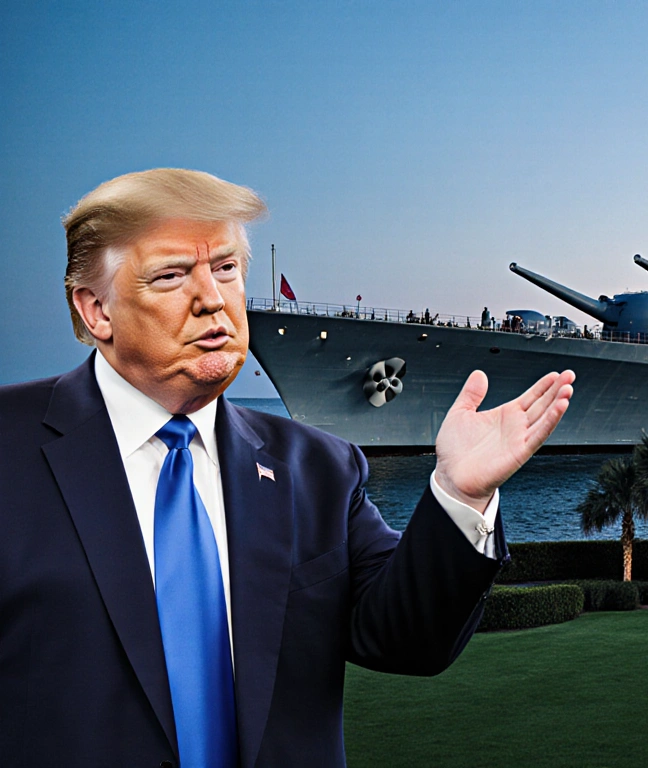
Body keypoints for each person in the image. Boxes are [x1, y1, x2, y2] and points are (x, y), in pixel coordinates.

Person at [0, 169, 575, 766]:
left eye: (226, 268)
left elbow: (408, 640)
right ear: (96, 310)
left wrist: (458, 494)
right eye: (171, 275)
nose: (212, 298)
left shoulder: (321, 468)